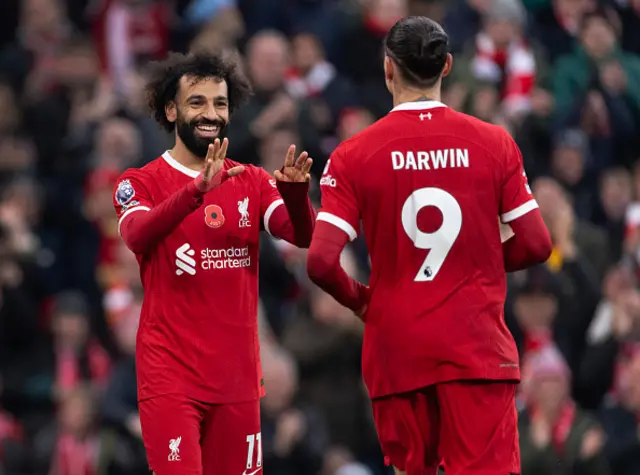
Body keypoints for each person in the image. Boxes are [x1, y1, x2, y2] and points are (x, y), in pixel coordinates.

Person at [306, 16, 553, 475]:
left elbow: (321, 262)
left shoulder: (354, 154)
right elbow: (537, 244)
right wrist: (479, 262)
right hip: (476, 349)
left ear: (388, 70)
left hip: (397, 350)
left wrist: (362, 302)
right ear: (447, 67)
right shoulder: (494, 143)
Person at [113, 52, 316, 475]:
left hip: (237, 380)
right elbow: (136, 235)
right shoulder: (139, 182)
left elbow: (301, 234)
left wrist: (296, 197)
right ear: (171, 110)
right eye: (197, 102)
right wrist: (195, 191)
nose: (210, 113)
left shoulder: (252, 180)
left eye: (219, 103)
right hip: (171, 378)